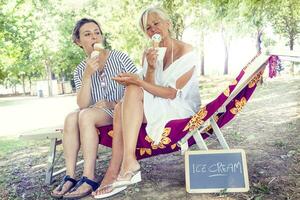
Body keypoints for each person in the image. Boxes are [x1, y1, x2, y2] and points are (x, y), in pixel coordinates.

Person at [93, 6, 200, 199]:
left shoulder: (187, 52)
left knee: (132, 90)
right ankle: (117, 168)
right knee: (119, 107)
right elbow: (150, 89)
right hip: (159, 102)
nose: (153, 30)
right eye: (148, 28)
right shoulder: (150, 52)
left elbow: (170, 94)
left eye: (156, 24)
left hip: (180, 106)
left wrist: (138, 81)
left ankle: (127, 164)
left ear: (168, 24)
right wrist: (150, 67)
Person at [50, 18, 137, 199]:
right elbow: (82, 104)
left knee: (86, 116)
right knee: (71, 117)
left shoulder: (119, 57)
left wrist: (114, 103)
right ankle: (71, 176)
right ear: (78, 42)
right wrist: (88, 75)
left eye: (97, 32)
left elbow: (137, 86)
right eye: (87, 34)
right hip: (95, 112)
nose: (94, 37)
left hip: (121, 110)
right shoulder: (80, 69)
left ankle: (89, 177)